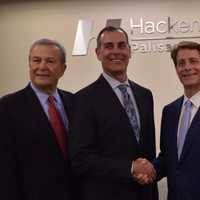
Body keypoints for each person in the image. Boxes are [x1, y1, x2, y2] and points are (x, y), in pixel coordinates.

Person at [69, 26, 158, 200]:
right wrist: (130, 168)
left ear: (130, 51)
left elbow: (148, 151)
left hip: (144, 194)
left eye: (121, 45)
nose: (116, 51)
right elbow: (81, 159)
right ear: (98, 53)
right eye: (109, 46)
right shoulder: (83, 99)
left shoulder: (145, 95)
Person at [0, 38, 75, 200]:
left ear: (63, 69)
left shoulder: (75, 102)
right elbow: (5, 168)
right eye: (36, 60)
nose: (42, 67)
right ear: (29, 65)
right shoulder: (7, 107)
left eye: (50, 61)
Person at [135, 41, 200, 200]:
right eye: (181, 63)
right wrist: (149, 170)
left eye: (193, 61)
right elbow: (167, 158)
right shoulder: (170, 111)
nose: (187, 67)